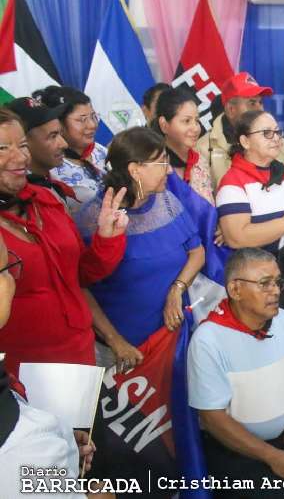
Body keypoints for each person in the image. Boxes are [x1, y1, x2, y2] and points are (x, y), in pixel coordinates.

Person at [188, 248, 284, 499]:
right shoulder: (207, 340)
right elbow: (213, 419)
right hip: (234, 449)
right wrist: (272, 456)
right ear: (235, 290)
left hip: (283, 439)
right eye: (265, 283)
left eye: (278, 282)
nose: (275, 291)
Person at [0, 108, 127, 378]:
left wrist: (107, 239)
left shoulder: (47, 199)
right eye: (3, 148)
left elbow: (80, 276)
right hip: (18, 376)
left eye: (22, 145)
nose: (20, 157)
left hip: (79, 360)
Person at [74, 127, 205, 372]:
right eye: (161, 162)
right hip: (123, 352)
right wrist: (115, 341)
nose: (169, 169)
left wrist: (177, 289)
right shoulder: (95, 218)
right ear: (135, 170)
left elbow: (197, 252)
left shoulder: (167, 201)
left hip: (172, 338)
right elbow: (79, 288)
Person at [216, 110, 284, 314]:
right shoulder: (233, 182)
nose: (276, 138)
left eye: (277, 132)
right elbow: (237, 238)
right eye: (267, 133)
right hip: (252, 279)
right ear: (245, 141)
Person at [197, 72, 284, 188]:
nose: (260, 109)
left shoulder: (278, 141)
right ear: (231, 109)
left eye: (260, 102)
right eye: (252, 103)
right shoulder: (203, 149)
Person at [35, 86, 108, 214]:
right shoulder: (52, 167)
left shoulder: (99, 150)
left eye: (93, 116)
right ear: (58, 123)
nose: (92, 125)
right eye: (82, 119)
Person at [5, 97, 75, 206]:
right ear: (24, 142)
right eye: (53, 136)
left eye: (60, 134)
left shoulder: (49, 181)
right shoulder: (21, 202)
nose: (64, 144)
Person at [153, 87, 214, 203]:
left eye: (197, 120)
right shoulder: (155, 167)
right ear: (164, 125)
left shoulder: (199, 161)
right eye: (187, 121)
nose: (195, 128)